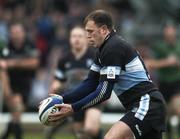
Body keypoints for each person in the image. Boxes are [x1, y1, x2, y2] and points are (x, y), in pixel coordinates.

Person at [47, 10, 166, 139]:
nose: (87, 36)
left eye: (90, 31)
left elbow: (104, 92)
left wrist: (73, 108)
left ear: (104, 29)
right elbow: (90, 83)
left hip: (146, 104)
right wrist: (62, 99)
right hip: (143, 106)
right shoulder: (102, 50)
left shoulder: (113, 48)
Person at [47, 26, 103, 139]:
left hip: (93, 98)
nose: (76, 39)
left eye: (80, 36)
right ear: (70, 39)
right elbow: (59, 79)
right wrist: (54, 87)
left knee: (91, 129)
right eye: (74, 36)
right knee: (81, 135)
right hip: (74, 101)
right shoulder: (64, 59)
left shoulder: (95, 56)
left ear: (86, 39)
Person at [0, 22, 39, 139]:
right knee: (16, 112)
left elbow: (34, 63)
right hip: (10, 85)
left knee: (15, 116)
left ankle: (5, 135)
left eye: (18, 32)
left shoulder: (30, 45)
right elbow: (2, 67)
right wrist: (6, 90)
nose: (16, 35)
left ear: (23, 33)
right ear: (10, 34)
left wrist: (13, 63)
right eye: (13, 32)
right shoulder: (6, 46)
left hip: (25, 86)